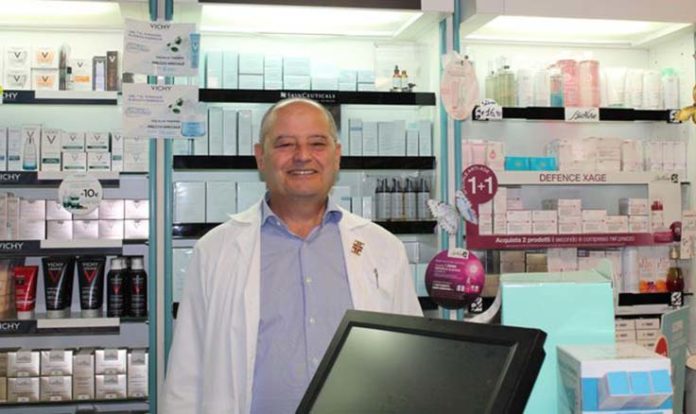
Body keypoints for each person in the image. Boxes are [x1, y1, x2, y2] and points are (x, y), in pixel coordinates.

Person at [160, 98, 422, 413]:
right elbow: (185, 378)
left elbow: (410, 362)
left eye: (317, 143)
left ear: (337, 155)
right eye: (285, 144)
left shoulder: (383, 248)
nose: (302, 156)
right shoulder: (215, 250)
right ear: (261, 157)